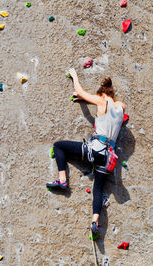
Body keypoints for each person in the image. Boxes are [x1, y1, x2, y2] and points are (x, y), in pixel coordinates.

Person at [46, 68, 126, 234]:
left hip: (95, 150)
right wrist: (86, 100)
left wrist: (74, 76)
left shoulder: (101, 101)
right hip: (108, 158)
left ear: (101, 95)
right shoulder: (121, 107)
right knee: (98, 189)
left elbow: (80, 91)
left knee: (59, 146)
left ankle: (62, 181)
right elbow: (111, 110)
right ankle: (95, 221)